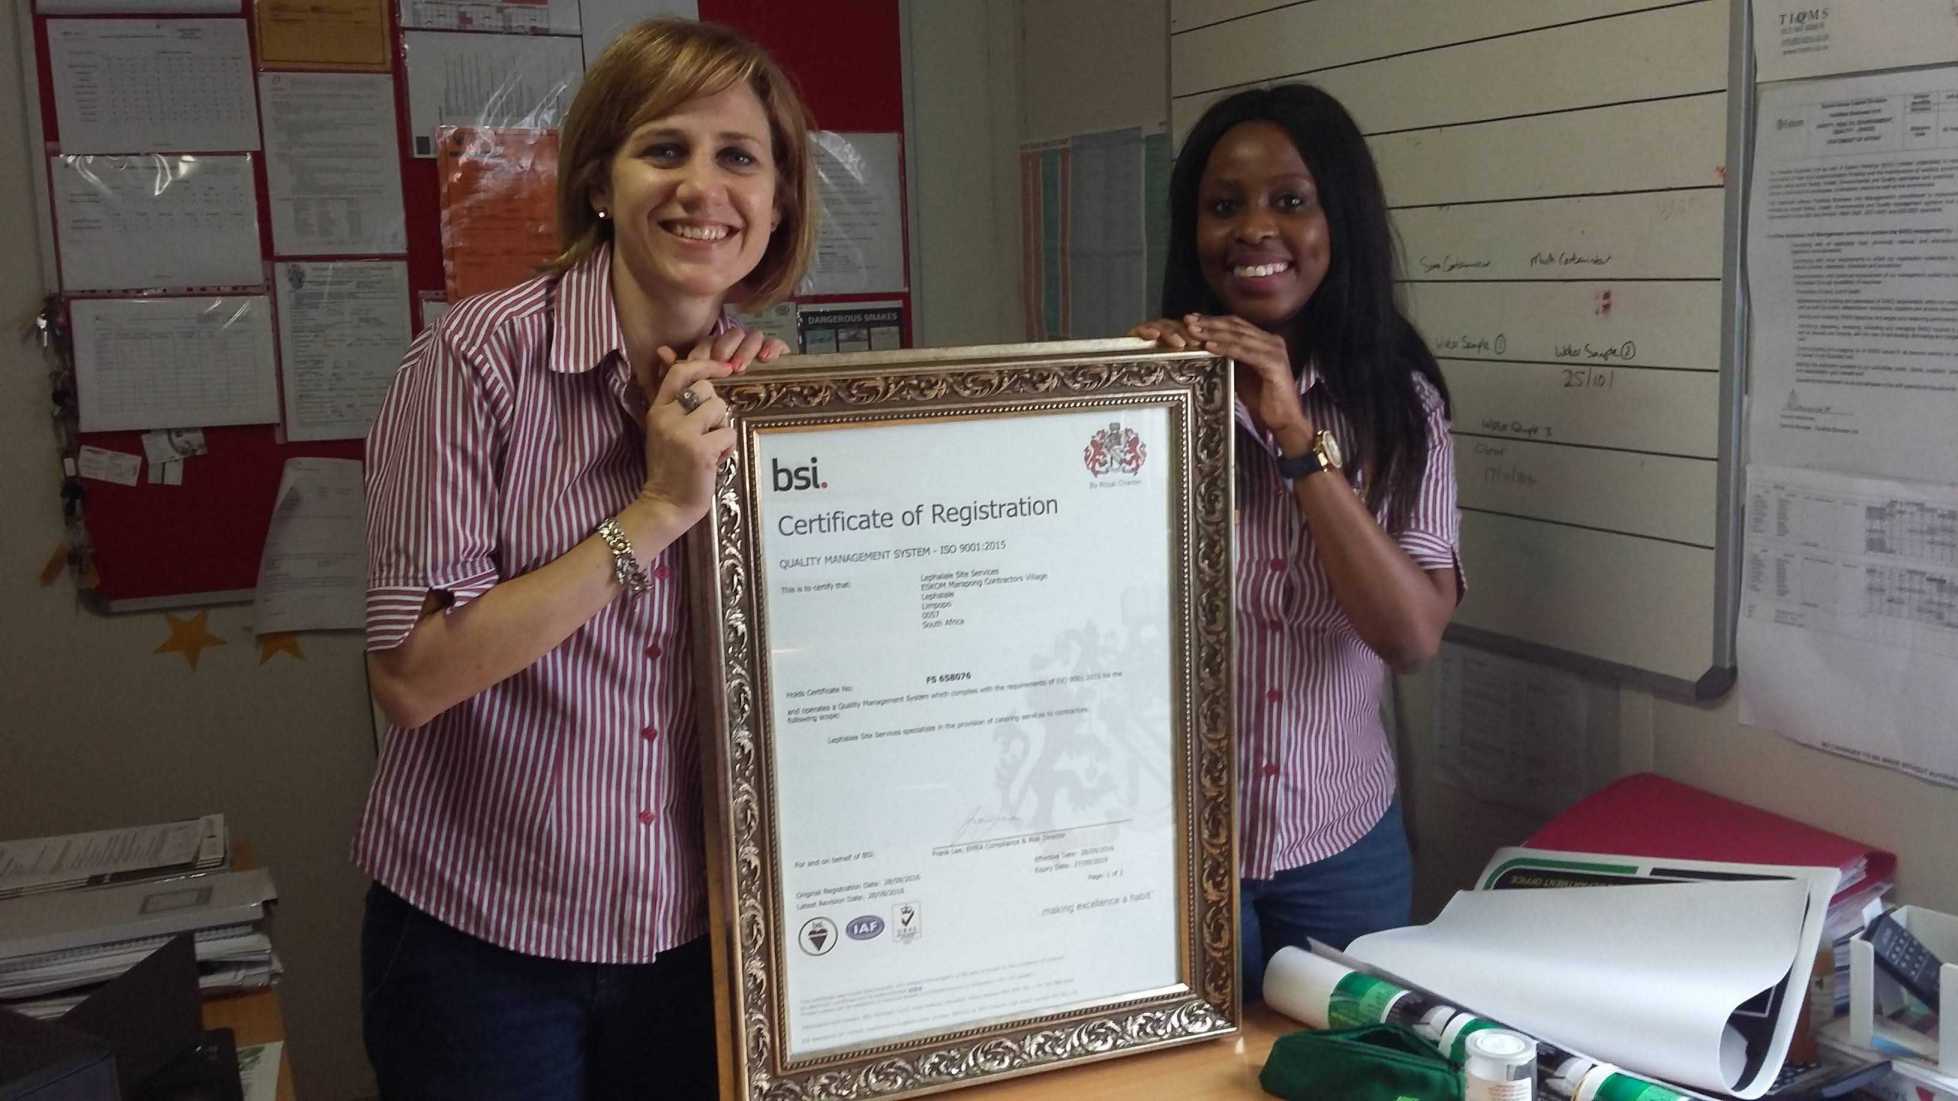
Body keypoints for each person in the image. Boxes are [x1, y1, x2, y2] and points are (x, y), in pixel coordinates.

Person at [355, 19, 813, 1099]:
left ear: (776, 204)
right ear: (601, 182)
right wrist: (656, 511)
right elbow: (412, 675)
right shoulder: (476, 360)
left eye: (738, 157)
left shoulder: (769, 395)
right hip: (485, 947)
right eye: (665, 149)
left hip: (699, 935)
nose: (702, 188)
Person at [1131, 83, 1463, 1002]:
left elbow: (1411, 636)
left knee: (1350, 1061)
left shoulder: (1400, 407)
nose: (1254, 229)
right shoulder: (1141, 398)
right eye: (1223, 205)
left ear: (1338, 218)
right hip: (1167, 846)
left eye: (1290, 200)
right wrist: (1123, 399)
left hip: (1340, 846)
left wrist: (1291, 430)